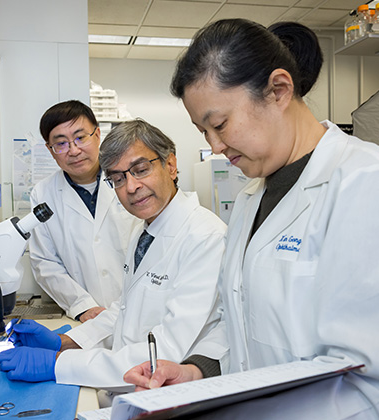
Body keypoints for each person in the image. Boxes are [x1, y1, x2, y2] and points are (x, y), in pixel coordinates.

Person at [124, 19, 379, 419]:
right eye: (203, 131)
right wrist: (195, 372)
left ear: (278, 90)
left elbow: (366, 380)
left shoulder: (365, 184)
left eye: (220, 124)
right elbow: (239, 319)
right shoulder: (249, 199)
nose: (215, 145)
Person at [0, 119, 228, 393]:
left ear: (171, 165)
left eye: (140, 170)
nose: (130, 187)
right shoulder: (146, 228)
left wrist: (58, 363)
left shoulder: (205, 237)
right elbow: (124, 310)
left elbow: (168, 350)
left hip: (167, 395)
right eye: (117, 178)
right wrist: (65, 342)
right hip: (126, 382)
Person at [29, 100, 140, 322]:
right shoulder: (43, 194)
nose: (74, 150)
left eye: (81, 137)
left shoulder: (132, 180)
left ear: (97, 134)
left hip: (140, 309)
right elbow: (46, 263)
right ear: (50, 150)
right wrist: (82, 306)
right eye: (61, 144)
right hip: (87, 318)